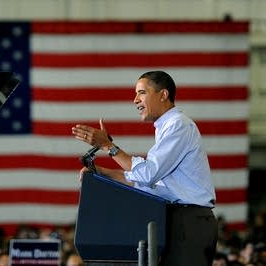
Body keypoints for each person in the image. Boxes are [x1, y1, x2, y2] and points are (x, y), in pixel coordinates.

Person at [72, 70, 218, 266]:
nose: (135, 100)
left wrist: (108, 146)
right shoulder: (166, 129)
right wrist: (103, 173)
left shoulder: (179, 126)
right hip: (177, 221)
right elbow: (148, 182)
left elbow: (148, 173)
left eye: (141, 92)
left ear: (163, 94)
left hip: (190, 222)